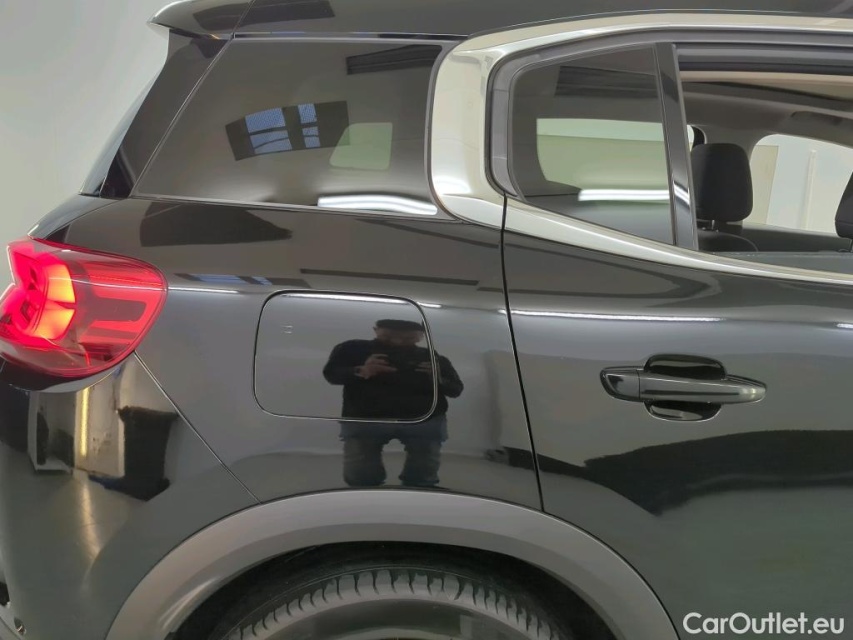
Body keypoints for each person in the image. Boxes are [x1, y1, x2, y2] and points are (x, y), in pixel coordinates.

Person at [323, 319, 463, 487]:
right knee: (361, 474)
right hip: (368, 418)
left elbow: (456, 389)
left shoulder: (432, 356)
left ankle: (412, 493)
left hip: (422, 418)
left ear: (420, 337)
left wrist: (438, 378)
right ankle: (371, 495)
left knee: (422, 473)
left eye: (408, 338)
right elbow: (331, 375)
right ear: (375, 330)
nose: (398, 342)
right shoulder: (353, 348)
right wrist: (361, 370)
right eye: (388, 337)